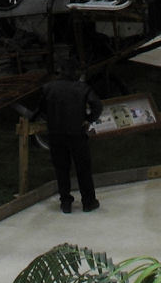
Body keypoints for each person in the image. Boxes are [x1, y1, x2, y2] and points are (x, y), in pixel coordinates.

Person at [24, 60, 103, 213]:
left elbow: (41, 109)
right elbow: (97, 105)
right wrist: (88, 119)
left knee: (61, 169)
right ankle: (88, 201)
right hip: (77, 134)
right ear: (74, 73)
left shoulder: (48, 88)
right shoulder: (82, 88)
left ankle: (65, 203)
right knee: (83, 169)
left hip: (56, 134)